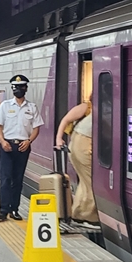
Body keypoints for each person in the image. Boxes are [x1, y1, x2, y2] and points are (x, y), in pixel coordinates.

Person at [0, 75, 44, 222]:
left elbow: (36, 128)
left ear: (26, 88)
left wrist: (29, 141)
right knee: (5, 178)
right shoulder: (5, 106)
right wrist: (2, 141)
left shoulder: (32, 108)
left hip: (23, 147)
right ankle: (3, 210)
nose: (18, 90)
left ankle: (14, 209)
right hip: (7, 146)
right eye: (15, 87)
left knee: (18, 179)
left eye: (21, 87)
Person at [56, 97, 99, 229]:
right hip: (81, 146)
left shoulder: (101, 109)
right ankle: (89, 217)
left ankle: (78, 215)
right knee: (92, 181)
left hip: (82, 145)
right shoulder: (87, 106)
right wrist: (59, 138)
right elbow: (66, 119)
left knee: (85, 181)